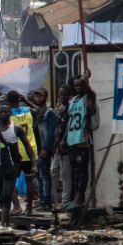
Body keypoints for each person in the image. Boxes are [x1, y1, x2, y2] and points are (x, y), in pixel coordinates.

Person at [0, 107, 34, 228]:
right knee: (2, 196)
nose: (3, 113)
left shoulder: (16, 128)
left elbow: (28, 146)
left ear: (10, 113)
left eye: (6, 111)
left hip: (12, 166)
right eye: (0, 111)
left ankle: (2, 224)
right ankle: (6, 222)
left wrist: (34, 164)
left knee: (7, 194)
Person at [61, 73, 97, 210]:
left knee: (82, 171)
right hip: (72, 140)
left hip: (83, 139)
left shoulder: (88, 98)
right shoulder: (73, 100)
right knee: (75, 171)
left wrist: (86, 80)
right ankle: (76, 197)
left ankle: (79, 197)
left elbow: (90, 98)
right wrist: (64, 139)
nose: (77, 88)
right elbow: (69, 121)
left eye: (80, 85)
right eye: (75, 85)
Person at [6, 90, 39, 215]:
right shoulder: (28, 110)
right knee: (29, 180)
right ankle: (29, 209)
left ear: (8, 102)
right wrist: (26, 100)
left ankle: (17, 206)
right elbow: (39, 110)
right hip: (30, 149)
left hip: (15, 150)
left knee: (10, 179)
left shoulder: (8, 113)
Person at [32, 88, 58, 210]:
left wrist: (46, 148)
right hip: (37, 149)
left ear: (45, 97)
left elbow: (51, 132)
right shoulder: (36, 113)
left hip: (44, 148)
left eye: (40, 96)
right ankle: (41, 199)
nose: (38, 98)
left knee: (44, 175)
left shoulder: (49, 113)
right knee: (39, 175)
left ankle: (46, 201)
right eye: (36, 96)